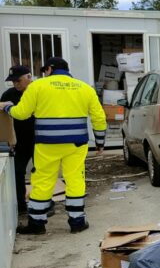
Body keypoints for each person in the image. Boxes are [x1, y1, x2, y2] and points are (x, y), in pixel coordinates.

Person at [0, 57, 106, 234]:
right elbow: (99, 117)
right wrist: (100, 142)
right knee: (75, 179)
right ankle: (77, 222)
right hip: (76, 143)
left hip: (48, 143)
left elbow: (21, 113)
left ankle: (37, 223)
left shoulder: (38, 86)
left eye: (44, 70)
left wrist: (7, 107)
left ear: (49, 69)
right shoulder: (85, 88)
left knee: (43, 180)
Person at [1, 65, 35, 214]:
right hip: (19, 141)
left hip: (39, 139)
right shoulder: (9, 94)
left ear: (28, 77)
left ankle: (46, 203)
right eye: (13, 81)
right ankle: (21, 205)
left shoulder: (38, 91)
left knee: (41, 173)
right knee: (17, 172)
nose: (15, 84)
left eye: (18, 80)